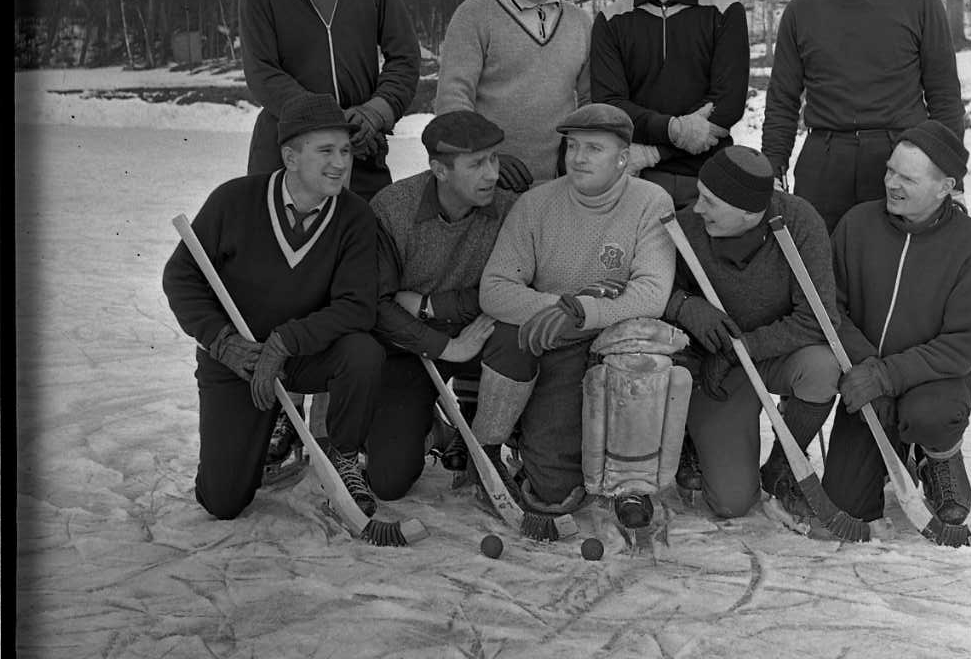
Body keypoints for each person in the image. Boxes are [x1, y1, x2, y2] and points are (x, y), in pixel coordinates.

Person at [239, 0, 421, 476]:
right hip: (286, 153)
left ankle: (341, 422)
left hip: (362, 151)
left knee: (365, 279)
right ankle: (276, 415)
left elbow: (404, 57)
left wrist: (377, 109)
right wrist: (319, 124)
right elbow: (262, 73)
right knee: (282, 284)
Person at [162, 94, 383, 522]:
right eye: (326, 151)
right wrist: (222, 342)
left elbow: (356, 308)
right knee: (222, 501)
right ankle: (266, 424)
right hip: (237, 360)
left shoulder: (355, 217)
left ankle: (343, 459)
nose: (340, 163)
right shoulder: (233, 201)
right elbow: (181, 277)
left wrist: (285, 341)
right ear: (290, 156)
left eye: (345, 151)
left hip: (303, 355)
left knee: (363, 353)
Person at [474, 103, 676, 522]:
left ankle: (635, 473)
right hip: (553, 344)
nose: (579, 158)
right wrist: (557, 309)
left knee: (644, 364)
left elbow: (652, 294)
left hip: (612, 346)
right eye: (572, 147)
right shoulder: (536, 205)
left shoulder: (650, 202)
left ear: (623, 158)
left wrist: (581, 310)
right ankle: (515, 434)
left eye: (594, 149)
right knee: (552, 492)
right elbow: (494, 289)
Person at [761, 0, 965, 234]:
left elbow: (944, 98)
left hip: (898, 161)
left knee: (895, 276)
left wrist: (952, 177)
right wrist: (771, 170)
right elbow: (781, 102)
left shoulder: (919, 4)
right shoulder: (801, 13)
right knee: (820, 275)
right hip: (823, 163)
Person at [821, 121, 971, 528]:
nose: (892, 184)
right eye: (890, 170)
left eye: (908, 178)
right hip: (866, 377)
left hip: (935, 382)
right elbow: (831, 309)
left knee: (930, 413)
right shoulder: (857, 224)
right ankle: (892, 453)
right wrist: (868, 368)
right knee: (847, 504)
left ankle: (938, 455)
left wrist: (887, 374)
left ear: (944, 186)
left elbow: (962, 346)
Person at [663, 145, 842, 531]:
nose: (697, 208)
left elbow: (819, 320)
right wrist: (686, 306)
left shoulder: (798, 223)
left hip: (771, 353)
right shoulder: (685, 228)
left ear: (748, 212)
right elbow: (651, 291)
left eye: (710, 201)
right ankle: (693, 440)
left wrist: (742, 349)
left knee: (822, 367)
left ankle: (783, 464)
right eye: (699, 194)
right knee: (731, 502)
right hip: (715, 367)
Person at [363, 110, 518, 500]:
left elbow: (511, 289)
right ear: (439, 169)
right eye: (477, 164)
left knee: (519, 336)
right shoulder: (392, 209)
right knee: (389, 482)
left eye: (495, 159)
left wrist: (431, 305)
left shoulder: (510, 209)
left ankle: (493, 446)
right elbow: (378, 307)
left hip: (484, 335)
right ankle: (430, 427)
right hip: (408, 347)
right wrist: (446, 346)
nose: (492, 174)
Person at [589, 0, 750, 208]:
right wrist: (675, 130)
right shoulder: (610, 20)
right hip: (636, 182)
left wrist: (654, 151)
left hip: (709, 180)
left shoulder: (725, 11)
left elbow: (727, 105)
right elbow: (610, 106)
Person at [435, 0, 591, 190]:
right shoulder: (474, 15)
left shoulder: (581, 22)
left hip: (562, 188)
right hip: (489, 187)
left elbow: (592, 104)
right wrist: (488, 156)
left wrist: (577, 149)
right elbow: (453, 101)